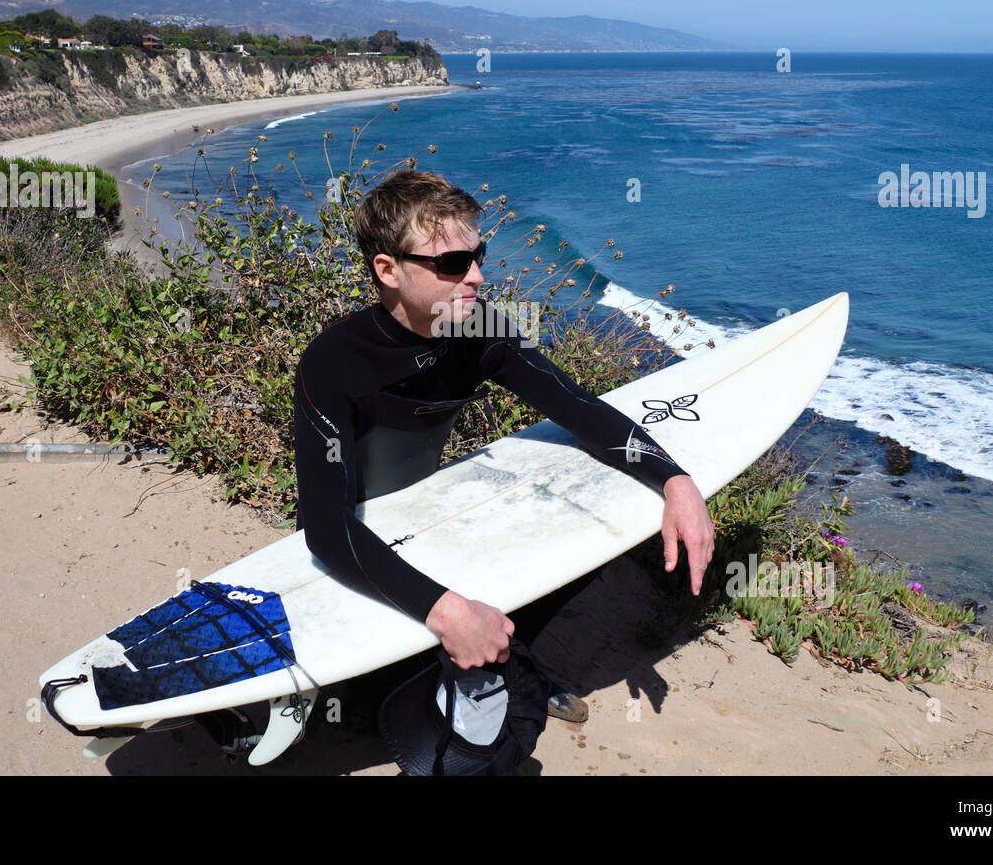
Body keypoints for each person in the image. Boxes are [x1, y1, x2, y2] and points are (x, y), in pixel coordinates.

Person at [288, 168, 716, 721]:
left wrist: (675, 480)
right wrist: (445, 612)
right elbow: (325, 527)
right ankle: (487, 668)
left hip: (433, 519)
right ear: (388, 271)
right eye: (452, 264)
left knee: (589, 489)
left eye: (478, 255)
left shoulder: (477, 327)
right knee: (380, 697)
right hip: (357, 542)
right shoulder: (332, 363)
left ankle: (514, 661)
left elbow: (579, 407)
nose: (478, 277)